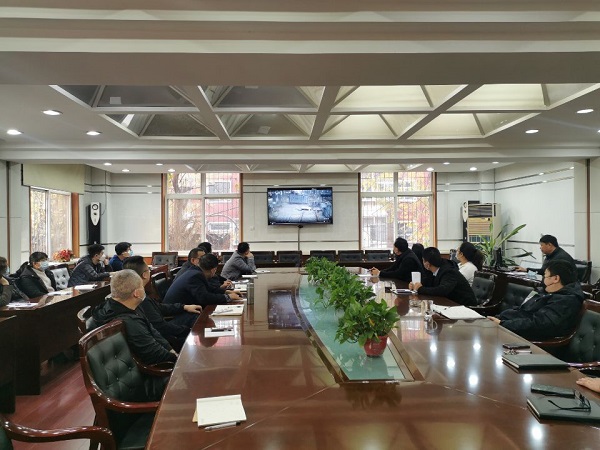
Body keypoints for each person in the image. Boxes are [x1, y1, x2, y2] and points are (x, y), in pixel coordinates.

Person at [91, 269, 178, 366]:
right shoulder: (130, 322)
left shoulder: (128, 305)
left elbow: (152, 331)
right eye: (142, 287)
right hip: (149, 367)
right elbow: (155, 354)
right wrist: (176, 358)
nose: (144, 289)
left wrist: (170, 349)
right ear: (136, 293)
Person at [488, 260, 584, 340]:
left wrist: (503, 324)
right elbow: (523, 310)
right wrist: (500, 319)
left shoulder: (565, 300)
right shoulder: (546, 291)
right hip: (512, 328)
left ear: (555, 278)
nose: (543, 280)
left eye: (545, 276)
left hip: (532, 341)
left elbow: (539, 324)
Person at [123, 256, 202, 352]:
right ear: (145, 275)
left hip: (160, 329)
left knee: (192, 315)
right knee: (195, 322)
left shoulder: (133, 292)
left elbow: (159, 307)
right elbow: (161, 327)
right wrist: (188, 330)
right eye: (149, 270)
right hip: (161, 338)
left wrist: (184, 307)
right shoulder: (139, 297)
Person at [163, 254, 242, 307]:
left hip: (182, 307)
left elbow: (209, 288)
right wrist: (228, 297)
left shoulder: (194, 271)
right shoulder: (195, 275)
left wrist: (227, 292)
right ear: (213, 270)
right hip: (176, 313)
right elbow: (204, 298)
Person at [409, 247, 477, 306]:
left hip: (465, 307)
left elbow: (442, 290)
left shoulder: (449, 271)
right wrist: (416, 285)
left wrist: (420, 289)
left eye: (423, 260)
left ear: (427, 264)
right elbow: (429, 281)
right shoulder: (435, 268)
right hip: (452, 303)